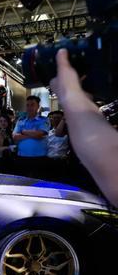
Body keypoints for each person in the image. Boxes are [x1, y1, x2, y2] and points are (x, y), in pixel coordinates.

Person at [50, 49, 118, 205]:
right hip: (77, 165)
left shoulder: (100, 112)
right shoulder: (78, 114)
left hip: (96, 169)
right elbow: (59, 133)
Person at [12, 95, 50, 179]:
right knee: (21, 182)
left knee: (38, 183)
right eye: (27, 105)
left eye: (32, 105)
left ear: (38, 106)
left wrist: (23, 132)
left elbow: (39, 134)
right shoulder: (21, 120)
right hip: (22, 158)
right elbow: (15, 137)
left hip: (39, 159)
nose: (29, 107)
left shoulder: (44, 120)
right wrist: (33, 134)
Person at [46, 110, 70, 182]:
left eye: (58, 118)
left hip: (62, 162)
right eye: (54, 118)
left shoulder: (68, 132)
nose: (56, 120)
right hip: (49, 161)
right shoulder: (48, 132)